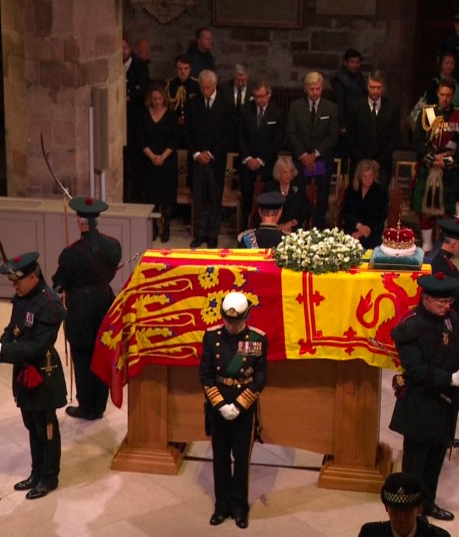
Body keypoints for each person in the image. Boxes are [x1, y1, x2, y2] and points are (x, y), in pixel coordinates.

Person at [389, 272, 459, 521]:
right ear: (425, 298)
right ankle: (411, 511)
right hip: (421, 404)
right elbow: (416, 370)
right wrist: (450, 379)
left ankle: (428, 504)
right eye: (441, 302)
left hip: (445, 405)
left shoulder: (451, 319)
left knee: (437, 457)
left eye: (449, 302)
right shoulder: (410, 327)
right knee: (415, 465)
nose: (446, 306)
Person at [0, 252, 68, 500]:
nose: (14, 286)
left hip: (43, 372)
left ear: (34, 276)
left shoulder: (51, 305)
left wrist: (4, 351)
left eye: (18, 281)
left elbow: (38, 347)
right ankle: (36, 472)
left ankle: (49, 477)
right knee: (31, 424)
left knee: (46, 427)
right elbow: (14, 328)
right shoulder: (22, 298)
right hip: (23, 370)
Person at [200, 292, 268, 529]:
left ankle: (240, 507)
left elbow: (260, 378)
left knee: (241, 461)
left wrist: (239, 405)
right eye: (228, 321)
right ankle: (222, 507)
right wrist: (220, 405)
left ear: (245, 316)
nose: (231, 326)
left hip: (244, 408)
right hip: (219, 407)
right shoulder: (211, 337)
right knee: (220, 458)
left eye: (236, 322)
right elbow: (206, 376)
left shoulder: (257, 339)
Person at [52, 197, 122, 420]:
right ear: (97, 221)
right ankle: (99, 404)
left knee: (82, 357)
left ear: (81, 223)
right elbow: (111, 272)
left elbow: (60, 283)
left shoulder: (71, 253)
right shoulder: (113, 245)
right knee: (101, 352)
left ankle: (87, 406)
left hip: (81, 307)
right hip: (104, 303)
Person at [411, 79, 459, 252]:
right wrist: (431, 160)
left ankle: (445, 244)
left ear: (453, 96)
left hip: (449, 170)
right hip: (428, 167)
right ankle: (427, 243)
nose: (445, 99)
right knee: (425, 209)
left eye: (448, 96)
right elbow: (417, 142)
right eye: (442, 95)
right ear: (438, 94)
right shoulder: (426, 113)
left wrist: (446, 163)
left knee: (447, 211)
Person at [186, 69, 235, 248]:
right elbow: (188, 133)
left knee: (215, 199)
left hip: (216, 161)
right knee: (199, 199)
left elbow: (228, 134)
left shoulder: (226, 104)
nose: (205, 91)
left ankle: (213, 235)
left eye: (208, 87)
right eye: (202, 87)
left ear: (214, 86)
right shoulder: (193, 104)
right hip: (197, 161)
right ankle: (199, 234)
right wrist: (197, 154)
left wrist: (211, 154)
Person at [288, 71, 339, 228]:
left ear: (322, 87)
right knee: (299, 194)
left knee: (321, 197)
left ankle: (318, 228)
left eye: (317, 88)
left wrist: (315, 155)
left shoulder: (331, 108)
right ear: (305, 89)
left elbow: (333, 136)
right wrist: (304, 155)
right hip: (301, 161)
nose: (315, 92)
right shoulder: (296, 106)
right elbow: (291, 133)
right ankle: (299, 227)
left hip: (321, 160)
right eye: (311, 89)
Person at [136, 84, 179, 242]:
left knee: (166, 197)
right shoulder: (144, 115)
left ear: (164, 99)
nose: (157, 101)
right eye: (154, 99)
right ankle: (152, 228)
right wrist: (153, 157)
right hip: (149, 162)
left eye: (160, 98)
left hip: (167, 162)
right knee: (151, 197)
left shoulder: (171, 115)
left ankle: (166, 227)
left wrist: (162, 157)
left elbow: (174, 140)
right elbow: (140, 140)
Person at [237, 80, 283, 226]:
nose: (259, 100)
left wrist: (261, 159)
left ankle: (263, 231)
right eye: (256, 96)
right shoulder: (245, 110)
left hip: (267, 166)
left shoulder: (277, 112)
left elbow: (277, 140)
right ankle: (244, 231)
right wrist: (249, 158)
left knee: (266, 202)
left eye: (262, 96)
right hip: (247, 164)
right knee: (246, 201)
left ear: (269, 94)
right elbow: (239, 136)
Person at [346, 71, 400, 191]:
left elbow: (394, 138)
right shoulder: (355, 107)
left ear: (383, 88)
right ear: (367, 87)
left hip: (382, 164)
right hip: (359, 162)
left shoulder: (392, 108)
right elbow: (350, 137)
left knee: (380, 201)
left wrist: (379, 161)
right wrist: (364, 161)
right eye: (372, 87)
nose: (375, 91)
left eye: (378, 87)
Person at [357, 472, 451, 537]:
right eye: (395, 509)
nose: (401, 516)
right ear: (386, 508)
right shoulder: (370, 534)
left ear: (419, 508)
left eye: (407, 510)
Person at [123, 37, 150, 203]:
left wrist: (130, 96)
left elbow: (140, 92)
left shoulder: (140, 67)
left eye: (125, 47)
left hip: (134, 121)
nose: (123, 51)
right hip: (118, 122)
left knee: (134, 163)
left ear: (130, 49)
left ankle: (135, 198)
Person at [341, 159, 387, 250]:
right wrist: (358, 226)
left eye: (370, 176)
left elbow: (381, 217)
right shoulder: (351, 189)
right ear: (359, 176)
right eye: (364, 176)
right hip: (352, 229)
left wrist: (362, 232)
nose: (368, 180)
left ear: (374, 176)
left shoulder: (380, 191)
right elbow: (346, 213)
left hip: (372, 232)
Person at [331, 49, 366, 159]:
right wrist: (342, 125)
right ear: (346, 63)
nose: (355, 65)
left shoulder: (360, 78)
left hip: (357, 121)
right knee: (343, 154)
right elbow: (339, 103)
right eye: (352, 62)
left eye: (357, 62)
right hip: (345, 122)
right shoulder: (339, 80)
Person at [266, 156, 312, 233]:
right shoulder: (270, 187)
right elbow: (265, 210)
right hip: (274, 228)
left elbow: (306, 210)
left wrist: (291, 223)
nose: (289, 175)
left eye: (290, 172)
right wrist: (278, 226)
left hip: (293, 228)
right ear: (278, 173)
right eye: (285, 172)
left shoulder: (298, 187)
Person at [164, 55, 200, 147]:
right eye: (180, 68)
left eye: (186, 68)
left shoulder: (197, 85)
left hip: (192, 127)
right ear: (176, 69)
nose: (183, 71)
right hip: (173, 127)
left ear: (190, 69)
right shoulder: (169, 85)